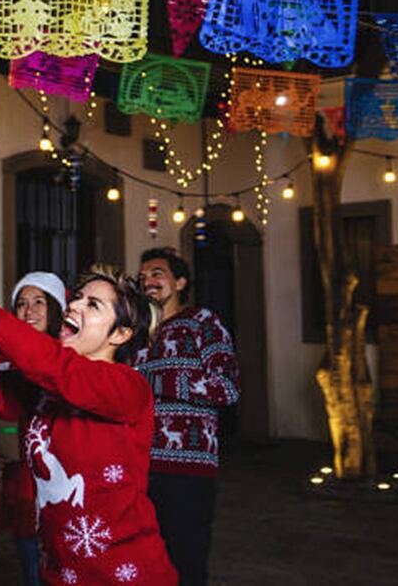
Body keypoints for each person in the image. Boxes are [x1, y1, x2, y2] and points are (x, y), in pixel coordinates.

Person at [0, 254, 179, 586]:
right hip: (59, 571)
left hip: (122, 574)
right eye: (77, 298)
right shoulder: (48, 387)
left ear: (120, 334)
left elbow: (56, 366)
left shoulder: (128, 386)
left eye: (93, 305)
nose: (75, 306)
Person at [136, 247, 240, 586]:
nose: (147, 281)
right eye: (143, 277)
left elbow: (226, 387)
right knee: (144, 563)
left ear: (180, 282)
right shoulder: (136, 333)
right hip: (139, 467)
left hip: (187, 470)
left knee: (186, 564)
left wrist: (156, 380)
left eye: (157, 274)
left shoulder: (202, 322)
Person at [0, 272, 66, 586]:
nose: (29, 311)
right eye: (21, 304)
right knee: (32, 570)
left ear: (56, 309)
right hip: (22, 487)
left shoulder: (71, 359)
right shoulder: (2, 363)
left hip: (63, 487)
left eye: (39, 302)